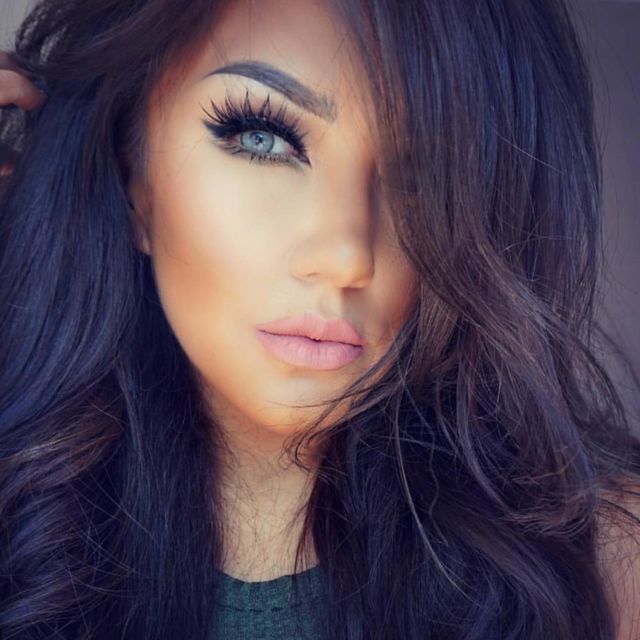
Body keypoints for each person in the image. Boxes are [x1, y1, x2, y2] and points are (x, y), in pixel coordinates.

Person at [1, 0, 640, 638]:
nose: (346, 257)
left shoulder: (606, 568)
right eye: (262, 137)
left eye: (426, 177)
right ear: (131, 178)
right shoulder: (19, 521)